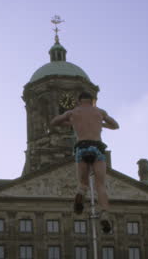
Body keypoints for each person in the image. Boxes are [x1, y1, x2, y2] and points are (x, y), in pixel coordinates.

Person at [50, 92, 120, 234]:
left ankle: (80, 193)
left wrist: (71, 121)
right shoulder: (100, 112)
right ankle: (105, 214)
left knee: (83, 182)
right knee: (100, 185)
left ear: (78, 101)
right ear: (93, 100)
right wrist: (102, 123)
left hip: (81, 147)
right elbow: (115, 125)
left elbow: (54, 122)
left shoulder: (73, 112)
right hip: (97, 147)